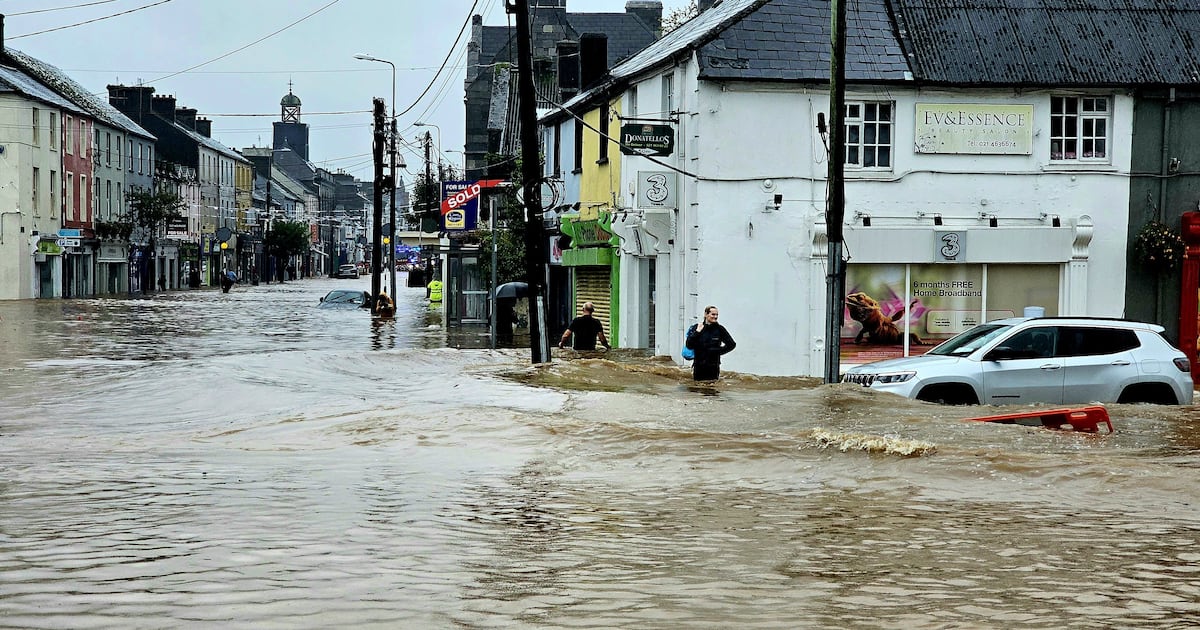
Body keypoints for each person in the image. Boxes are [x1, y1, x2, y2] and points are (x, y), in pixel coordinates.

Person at [685, 305, 736, 381]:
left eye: (717, 315)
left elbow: (732, 344)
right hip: (699, 366)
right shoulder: (696, 327)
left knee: (712, 390)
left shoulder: (720, 329)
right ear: (706, 314)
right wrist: (697, 332)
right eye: (713, 314)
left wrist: (717, 351)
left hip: (713, 366)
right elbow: (689, 345)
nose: (715, 317)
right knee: (697, 389)